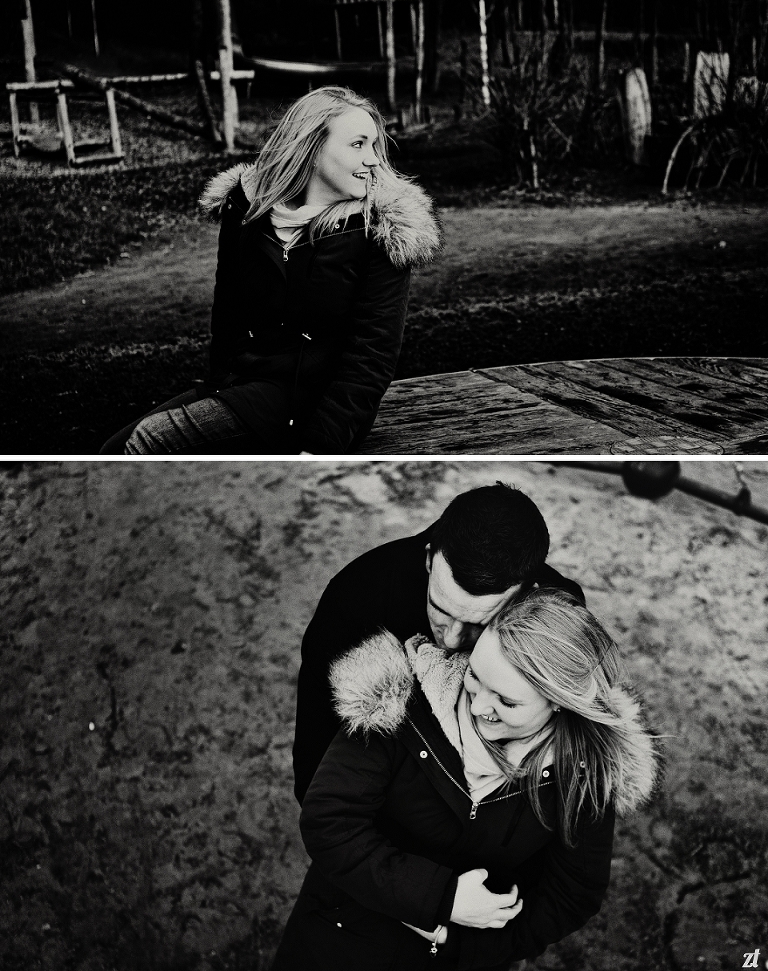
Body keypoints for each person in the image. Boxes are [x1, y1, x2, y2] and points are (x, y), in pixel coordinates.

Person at [274, 587, 658, 969]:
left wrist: (460, 943)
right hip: (337, 941)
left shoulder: (586, 772)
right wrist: (444, 899)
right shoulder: (399, 703)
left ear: (560, 700)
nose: (477, 705)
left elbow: (572, 896)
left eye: (506, 701)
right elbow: (329, 822)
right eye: (475, 675)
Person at [99, 87, 440, 455]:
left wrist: (320, 446)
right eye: (358, 144)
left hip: (310, 404)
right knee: (111, 450)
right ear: (312, 149)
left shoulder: (382, 229)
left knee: (149, 441)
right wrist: (219, 387)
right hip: (240, 387)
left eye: (374, 145)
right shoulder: (247, 212)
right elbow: (227, 311)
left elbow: (373, 354)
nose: (373, 159)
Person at [293, 483, 585, 802]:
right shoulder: (357, 598)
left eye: (479, 623)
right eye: (441, 609)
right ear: (431, 559)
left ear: (528, 594)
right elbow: (317, 745)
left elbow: (567, 753)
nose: (452, 639)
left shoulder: (559, 616)